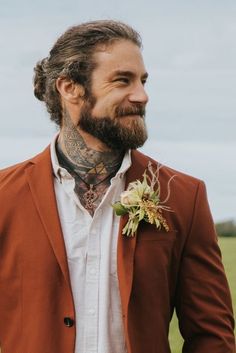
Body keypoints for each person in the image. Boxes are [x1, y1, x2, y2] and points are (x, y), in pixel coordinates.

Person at [0, 20, 235, 353]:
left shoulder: (184, 196)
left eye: (142, 80)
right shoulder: (4, 197)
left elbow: (213, 337)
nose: (142, 95)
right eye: (123, 80)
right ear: (70, 88)